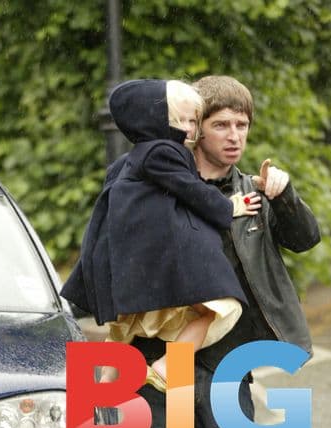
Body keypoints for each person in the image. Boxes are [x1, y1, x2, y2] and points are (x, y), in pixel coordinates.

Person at [128, 75, 320, 428]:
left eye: (243, 125)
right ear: (195, 130)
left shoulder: (254, 193)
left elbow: (306, 239)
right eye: (221, 125)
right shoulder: (161, 183)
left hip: (229, 362)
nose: (234, 136)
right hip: (160, 360)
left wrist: (284, 196)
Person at [61, 78, 260, 390]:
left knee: (128, 326)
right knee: (222, 309)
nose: (189, 130)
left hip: (140, 272)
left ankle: (108, 387)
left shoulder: (133, 160)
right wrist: (228, 207)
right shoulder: (164, 156)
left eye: (193, 121)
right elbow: (190, 192)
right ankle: (158, 371)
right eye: (183, 121)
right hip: (159, 295)